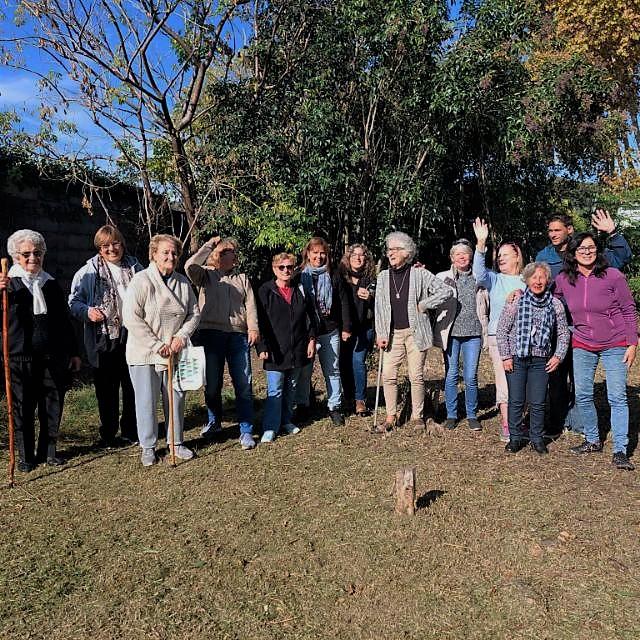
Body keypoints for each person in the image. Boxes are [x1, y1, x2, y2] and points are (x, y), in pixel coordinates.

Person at [535, 209, 632, 437]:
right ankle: (558, 422)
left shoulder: (587, 250)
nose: (553, 234)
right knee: (557, 376)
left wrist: (613, 233)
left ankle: (580, 425)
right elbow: (539, 285)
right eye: (550, 230)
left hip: (588, 328)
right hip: (560, 325)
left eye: (557, 230)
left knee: (580, 381)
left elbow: (621, 259)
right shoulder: (543, 256)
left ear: (570, 230)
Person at [554, 232, 638, 470]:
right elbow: (552, 300)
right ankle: (592, 439)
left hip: (616, 343)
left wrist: (632, 342)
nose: (587, 252)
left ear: (597, 250)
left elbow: (629, 309)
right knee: (582, 394)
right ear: (573, 253)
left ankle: (620, 450)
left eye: (591, 247)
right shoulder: (564, 279)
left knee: (617, 397)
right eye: (581, 249)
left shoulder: (613, 275)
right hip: (582, 343)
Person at [0, 229, 81, 472]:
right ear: (16, 256)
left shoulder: (51, 284)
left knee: (52, 402)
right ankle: (26, 455)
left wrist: (74, 352)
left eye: (37, 253)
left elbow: (65, 322)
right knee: (22, 405)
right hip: (19, 355)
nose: (32, 258)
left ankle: (49, 451)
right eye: (26, 254)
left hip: (52, 355)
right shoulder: (8, 284)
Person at [122, 234, 200, 467]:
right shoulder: (141, 280)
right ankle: (148, 447)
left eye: (174, 252)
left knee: (176, 398)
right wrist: (157, 345)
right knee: (146, 401)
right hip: (144, 353)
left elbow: (194, 313)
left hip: (175, 351)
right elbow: (131, 318)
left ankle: (176, 443)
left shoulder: (183, 282)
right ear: (153, 254)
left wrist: (181, 337)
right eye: (165, 252)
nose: (171, 256)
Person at [69, 225, 143, 447]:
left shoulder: (136, 267)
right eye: (105, 246)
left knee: (132, 385)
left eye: (115, 243)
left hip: (133, 335)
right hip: (103, 337)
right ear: (99, 249)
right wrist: (88, 312)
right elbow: (74, 302)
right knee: (106, 389)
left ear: (122, 243)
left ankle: (131, 430)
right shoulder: (87, 272)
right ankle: (109, 433)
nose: (112, 249)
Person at [185, 236, 259, 450]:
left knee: (243, 384)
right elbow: (189, 266)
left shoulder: (242, 278)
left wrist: (253, 327)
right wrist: (209, 245)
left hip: (237, 336)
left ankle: (245, 430)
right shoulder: (206, 275)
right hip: (210, 334)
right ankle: (214, 422)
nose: (230, 255)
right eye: (225, 251)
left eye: (232, 252)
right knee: (212, 384)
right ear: (216, 255)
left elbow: (251, 304)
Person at [375, 231, 453, 432]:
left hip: (415, 333)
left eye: (395, 249)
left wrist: (426, 304)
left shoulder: (419, 274)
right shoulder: (383, 277)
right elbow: (380, 308)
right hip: (392, 334)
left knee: (415, 376)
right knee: (388, 375)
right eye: (389, 249)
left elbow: (446, 291)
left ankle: (417, 417)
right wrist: (381, 333)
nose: (390, 253)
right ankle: (391, 416)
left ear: (406, 252)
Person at [496, 262, 569, 454]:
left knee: (537, 402)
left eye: (541, 277)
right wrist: (505, 356)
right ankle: (515, 438)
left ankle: (537, 438)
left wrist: (558, 356)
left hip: (540, 361)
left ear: (548, 280)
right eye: (533, 277)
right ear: (526, 280)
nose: (537, 281)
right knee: (516, 400)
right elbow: (502, 330)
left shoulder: (555, 304)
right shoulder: (516, 302)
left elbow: (563, 333)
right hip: (516, 358)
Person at [472, 217, 525, 442]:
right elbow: (478, 273)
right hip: (498, 338)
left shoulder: (527, 279)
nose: (501, 257)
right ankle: (507, 424)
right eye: (499, 255)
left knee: (523, 382)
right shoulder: (494, 279)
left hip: (524, 339)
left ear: (517, 257)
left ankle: (521, 421)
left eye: (505, 254)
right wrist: (481, 244)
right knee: (504, 381)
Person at [256, 252, 316, 443]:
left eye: (289, 267)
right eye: (281, 267)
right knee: (275, 390)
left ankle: (286, 421)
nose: (286, 271)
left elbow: (309, 318)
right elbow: (260, 322)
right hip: (275, 350)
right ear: (274, 269)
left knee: (291, 387)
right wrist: (261, 346)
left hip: (297, 348)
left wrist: (311, 339)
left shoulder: (300, 290)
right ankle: (270, 427)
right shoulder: (265, 291)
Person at [433, 239, 489, 431]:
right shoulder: (442, 277)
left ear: (471, 256)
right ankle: (451, 415)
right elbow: (428, 292)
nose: (462, 256)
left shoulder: (479, 277)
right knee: (451, 375)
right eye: (458, 254)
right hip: (451, 334)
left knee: (471, 376)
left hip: (474, 333)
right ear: (451, 257)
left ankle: (472, 415)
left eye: (465, 253)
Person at [294, 237, 350, 426]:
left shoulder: (333, 275)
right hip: (306, 332)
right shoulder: (298, 275)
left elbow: (343, 302)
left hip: (330, 329)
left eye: (322, 253)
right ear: (307, 254)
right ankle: (303, 405)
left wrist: (346, 327)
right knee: (304, 371)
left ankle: (334, 406)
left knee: (332, 369)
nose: (319, 256)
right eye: (315, 252)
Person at [338, 243, 376, 416]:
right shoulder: (340, 277)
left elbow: (381, 302)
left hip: (364, 327)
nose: (358, 258)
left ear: (366, 259)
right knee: (344, 363)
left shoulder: (371, 279)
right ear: (348, 258)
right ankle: (348, 397)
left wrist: (371, 296)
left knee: (358, 361)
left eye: (361, 255)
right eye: (354, 255)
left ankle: (360, 399)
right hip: (344, 327)